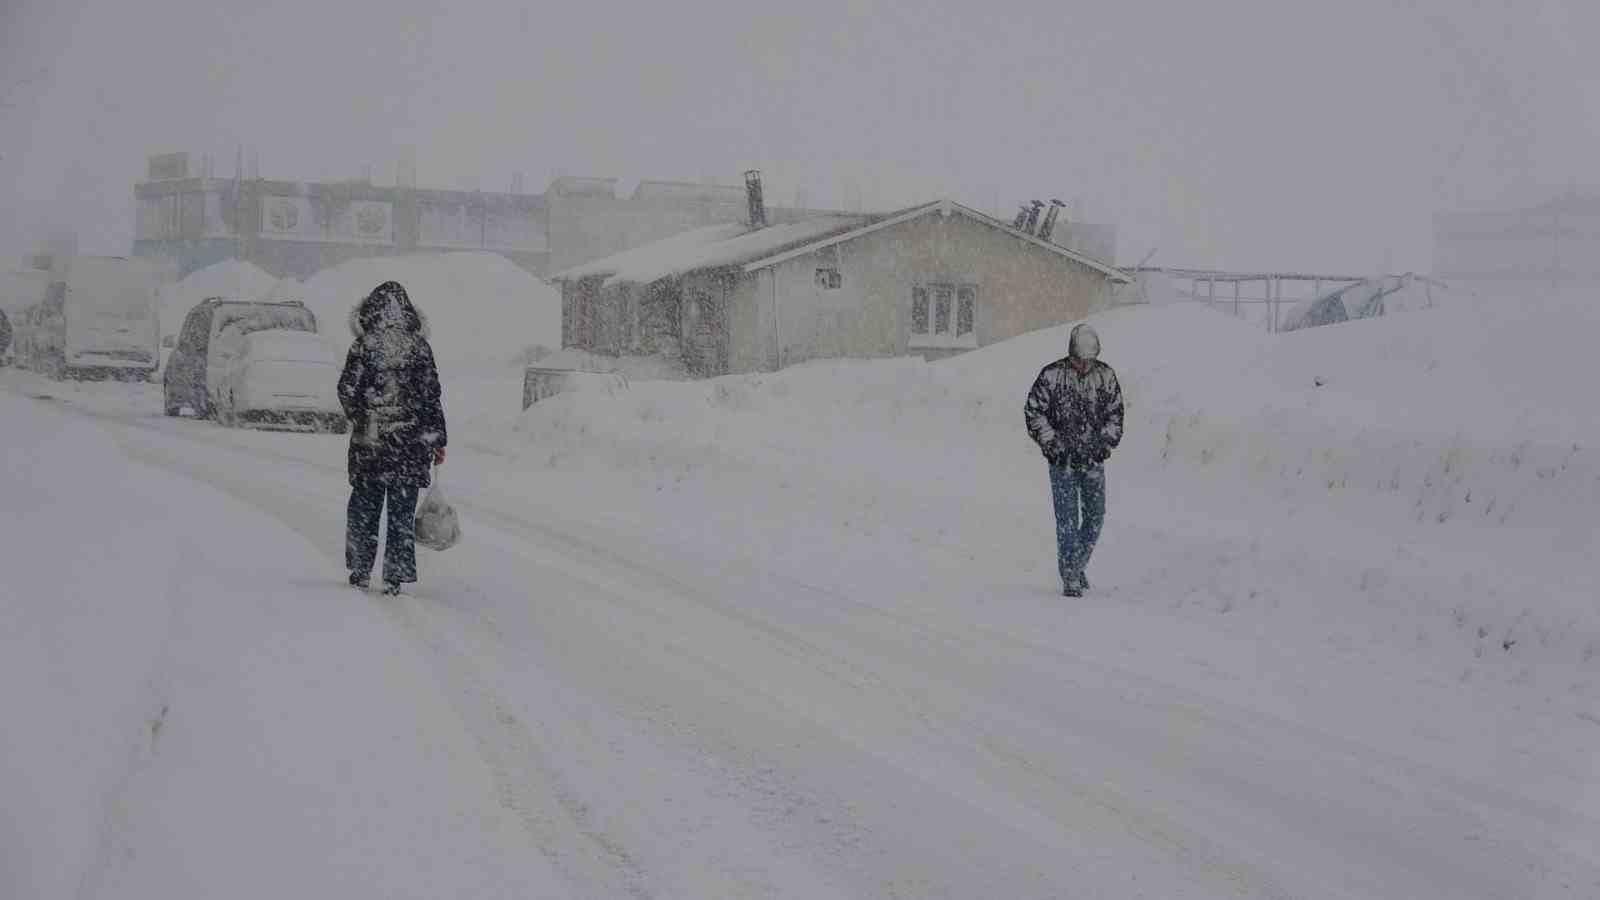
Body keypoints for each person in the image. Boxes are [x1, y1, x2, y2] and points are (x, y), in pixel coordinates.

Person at [337, 281, 447, 595]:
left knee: (364, 509)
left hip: (369, 447)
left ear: (370, 312)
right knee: (400, 514)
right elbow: (431, 397)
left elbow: (346, 390)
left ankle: (360, 569)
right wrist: (436, 440)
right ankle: (394, 575)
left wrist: (364, 417)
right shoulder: (419, 348)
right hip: (409, 448)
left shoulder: (363, 346)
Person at [1024, 323, 1124, 597]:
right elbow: (1035, 412)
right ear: (1071, 355)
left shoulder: (1106, 377)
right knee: (1067, 520)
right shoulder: (1052, 376)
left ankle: (1077, 564)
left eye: (1089, 360)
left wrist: (1103, 444)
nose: (1084, 366)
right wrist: (1053, 445)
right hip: (1062, 463)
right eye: (1080, 360)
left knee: (1095, 517)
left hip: (1093, 460)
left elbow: (1115, 415)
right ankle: (1070, 575)